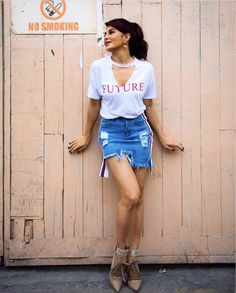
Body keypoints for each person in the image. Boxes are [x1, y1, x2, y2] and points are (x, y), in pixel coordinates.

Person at [68, 18, 184, 292]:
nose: (106, 37)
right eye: (105, 33)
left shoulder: (145, 69)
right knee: (130, 195)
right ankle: (118, 258)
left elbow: (149, 106)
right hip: (112, 133)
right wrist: (86, 134)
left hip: (140, 133)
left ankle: (133, 262)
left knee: (138, 200)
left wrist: (164, 135)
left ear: (127, 37)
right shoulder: (99, 68)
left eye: (111, 32)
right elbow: (93, 105)